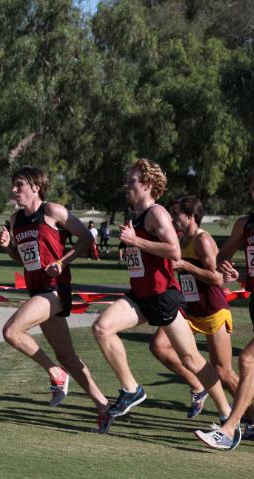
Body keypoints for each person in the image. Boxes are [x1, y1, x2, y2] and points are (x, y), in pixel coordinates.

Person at [91, 159, 231, 429]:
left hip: (163, 296)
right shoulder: (138, 216)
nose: (126, 186)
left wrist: (135, 242)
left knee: (192, 359)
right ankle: (131, 389)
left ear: (147, 185)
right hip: (141, 295)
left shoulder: (157, 213)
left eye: (132, 181)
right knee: (101, 328)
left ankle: (227, 414)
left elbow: (174, 251)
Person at [0, 166, 112, 432]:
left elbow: (86, 238)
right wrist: (8, 248)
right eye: (14, 186)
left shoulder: (52, 211)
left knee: (12, 331)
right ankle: (104, 407)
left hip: (54, 289)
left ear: (36, 187)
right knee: (68, 356)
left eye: (19, 185)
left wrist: (63, 262)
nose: (14, 190)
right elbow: (23, 259)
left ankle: (55, 373)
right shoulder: (16, 220)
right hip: (36, 289)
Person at [148, 196, 241, 419]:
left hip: (213, 311)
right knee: (159, 346)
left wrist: (185, 265)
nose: (171, 219)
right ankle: (198, 386)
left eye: (176, 215)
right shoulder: (179, 239)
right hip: (190, 310)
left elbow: (217, 278)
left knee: (223, 371)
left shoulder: (203, 240)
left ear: (190, 216)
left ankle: (247, 412)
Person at [195, 174, 254, 449]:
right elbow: (221, 257)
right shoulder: (246, 224)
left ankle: (229, 431)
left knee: (247, 361)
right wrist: (232, 271)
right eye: (252, 186)